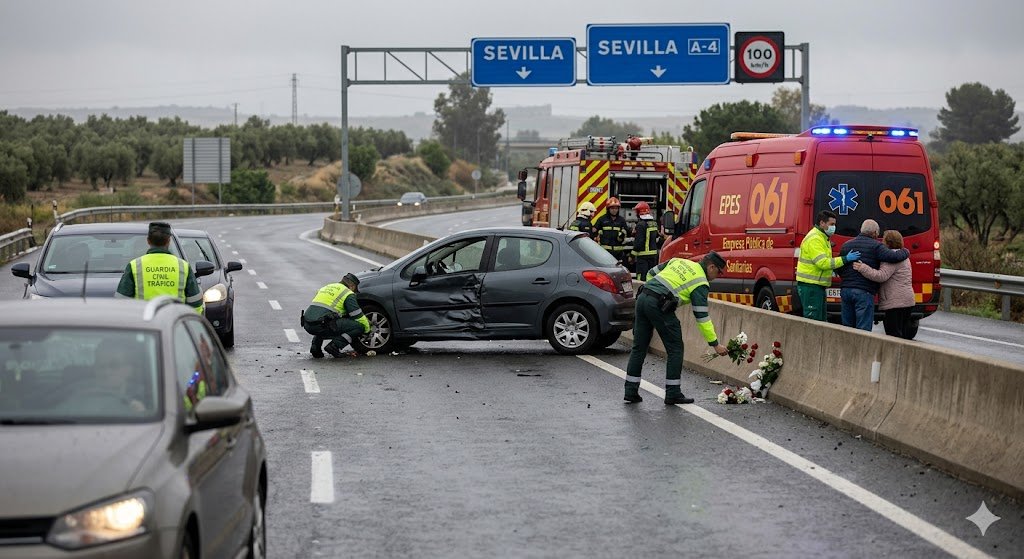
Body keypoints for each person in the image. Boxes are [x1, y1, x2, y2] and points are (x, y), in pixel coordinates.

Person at [624, 252, 729, 405]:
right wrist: (715, 344)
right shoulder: (700, 283)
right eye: (719, 272)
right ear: (711, 266)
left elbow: (651, 273)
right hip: (658, 306)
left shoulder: (679, 261)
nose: (718, 276)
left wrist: (656, 291)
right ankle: (673, 393)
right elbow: (702, 317)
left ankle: (630, 391)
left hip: (642, 297)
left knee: (639, 347)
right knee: (675, 349)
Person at [116, 222, 204, 314]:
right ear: (168, 241)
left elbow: (121, 302)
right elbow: (195, 303)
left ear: (148, 241)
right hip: (174, 322)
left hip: (144, 322)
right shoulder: (183, 266)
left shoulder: (135, 265)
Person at [838, 219, 910, 331]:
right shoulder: (876, 246)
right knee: (863, 330)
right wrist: (905, 251)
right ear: (875, 233)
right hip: (864, 291)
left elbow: (839, 267)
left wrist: (848, 279)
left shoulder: (846, 245)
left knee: (847, 328)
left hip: (846, 290)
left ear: (861, 230)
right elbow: (894, 257)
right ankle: (861, 349)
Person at [795, 210, 860, 321]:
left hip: (816, 285)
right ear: (822, 223)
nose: (834, 227)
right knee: (814, 320)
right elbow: (823, 263)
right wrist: (845, 259)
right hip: (811, 286)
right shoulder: (815, 239)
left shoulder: (822, 238)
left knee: (820, 320)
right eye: (831, 224)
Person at [851, 229, 915, 337]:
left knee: (893, 336)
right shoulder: (904, 257)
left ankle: (894, 354)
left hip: (895, 302)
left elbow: (881, 276)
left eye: (884, 241)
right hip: (907, 300)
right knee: (902, 335)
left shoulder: (891, 257)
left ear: (888, 242)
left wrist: (863, 268)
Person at [302, 273, 371, 358]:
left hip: (307, 323)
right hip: (321, 325)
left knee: (324, 321)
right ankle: (334, 346)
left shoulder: (327, 287)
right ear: (352, 286)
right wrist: (367, 330)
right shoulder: (348, 293)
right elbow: (357, 315)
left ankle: (315, 348)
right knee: (358, 327)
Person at [594, 197, 629, 262]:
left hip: (618, 253)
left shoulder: (621, 220)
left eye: (616, 208)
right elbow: (594, 231)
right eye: (612, 208)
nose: (614, 210)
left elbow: (627, 232)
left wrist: (623, 234)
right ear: (608, 209)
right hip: (605, 252)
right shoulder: (602, 219)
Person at [630, 202, 660, 280]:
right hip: (653, 256)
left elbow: (639, 243)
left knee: (641, 277)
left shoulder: (640, 225)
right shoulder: (654, 223)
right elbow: (656, 236)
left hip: (643, 256)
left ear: (639, 212)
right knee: (651, 276)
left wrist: (632, 255)